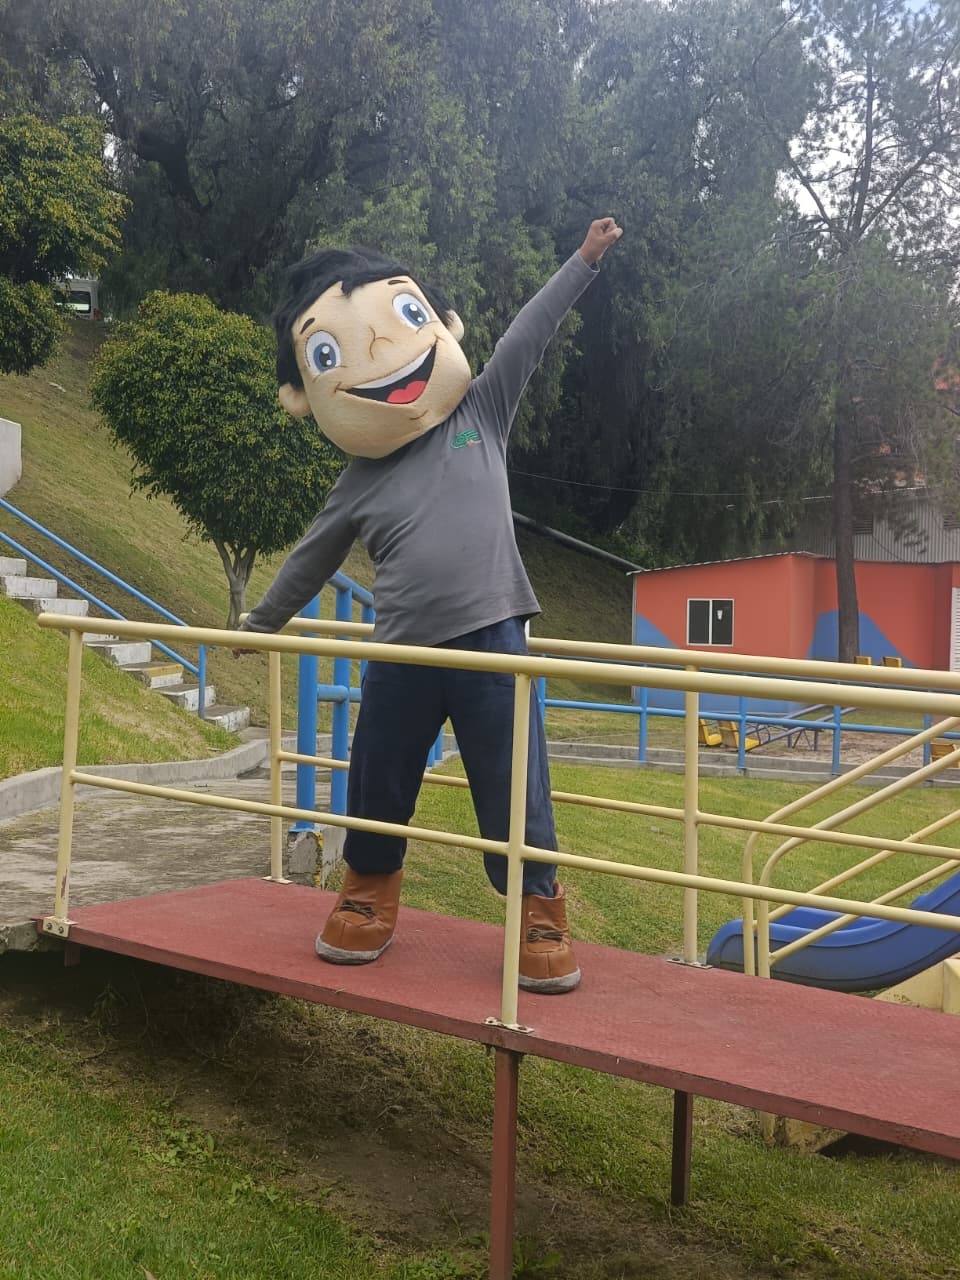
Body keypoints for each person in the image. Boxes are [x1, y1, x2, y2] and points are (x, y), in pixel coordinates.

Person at [239, 217, 622, 993]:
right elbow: (311, 558)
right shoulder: (358, 482)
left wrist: (582, 261)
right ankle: (367, 890)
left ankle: (539, 906)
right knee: (377, 776)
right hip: (402, 652)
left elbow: (528, 335)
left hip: (493, 642)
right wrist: (261, 622)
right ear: (306, 396)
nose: (385, 352)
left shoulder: (479, 413)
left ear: (441, 323)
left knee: (515, 784)